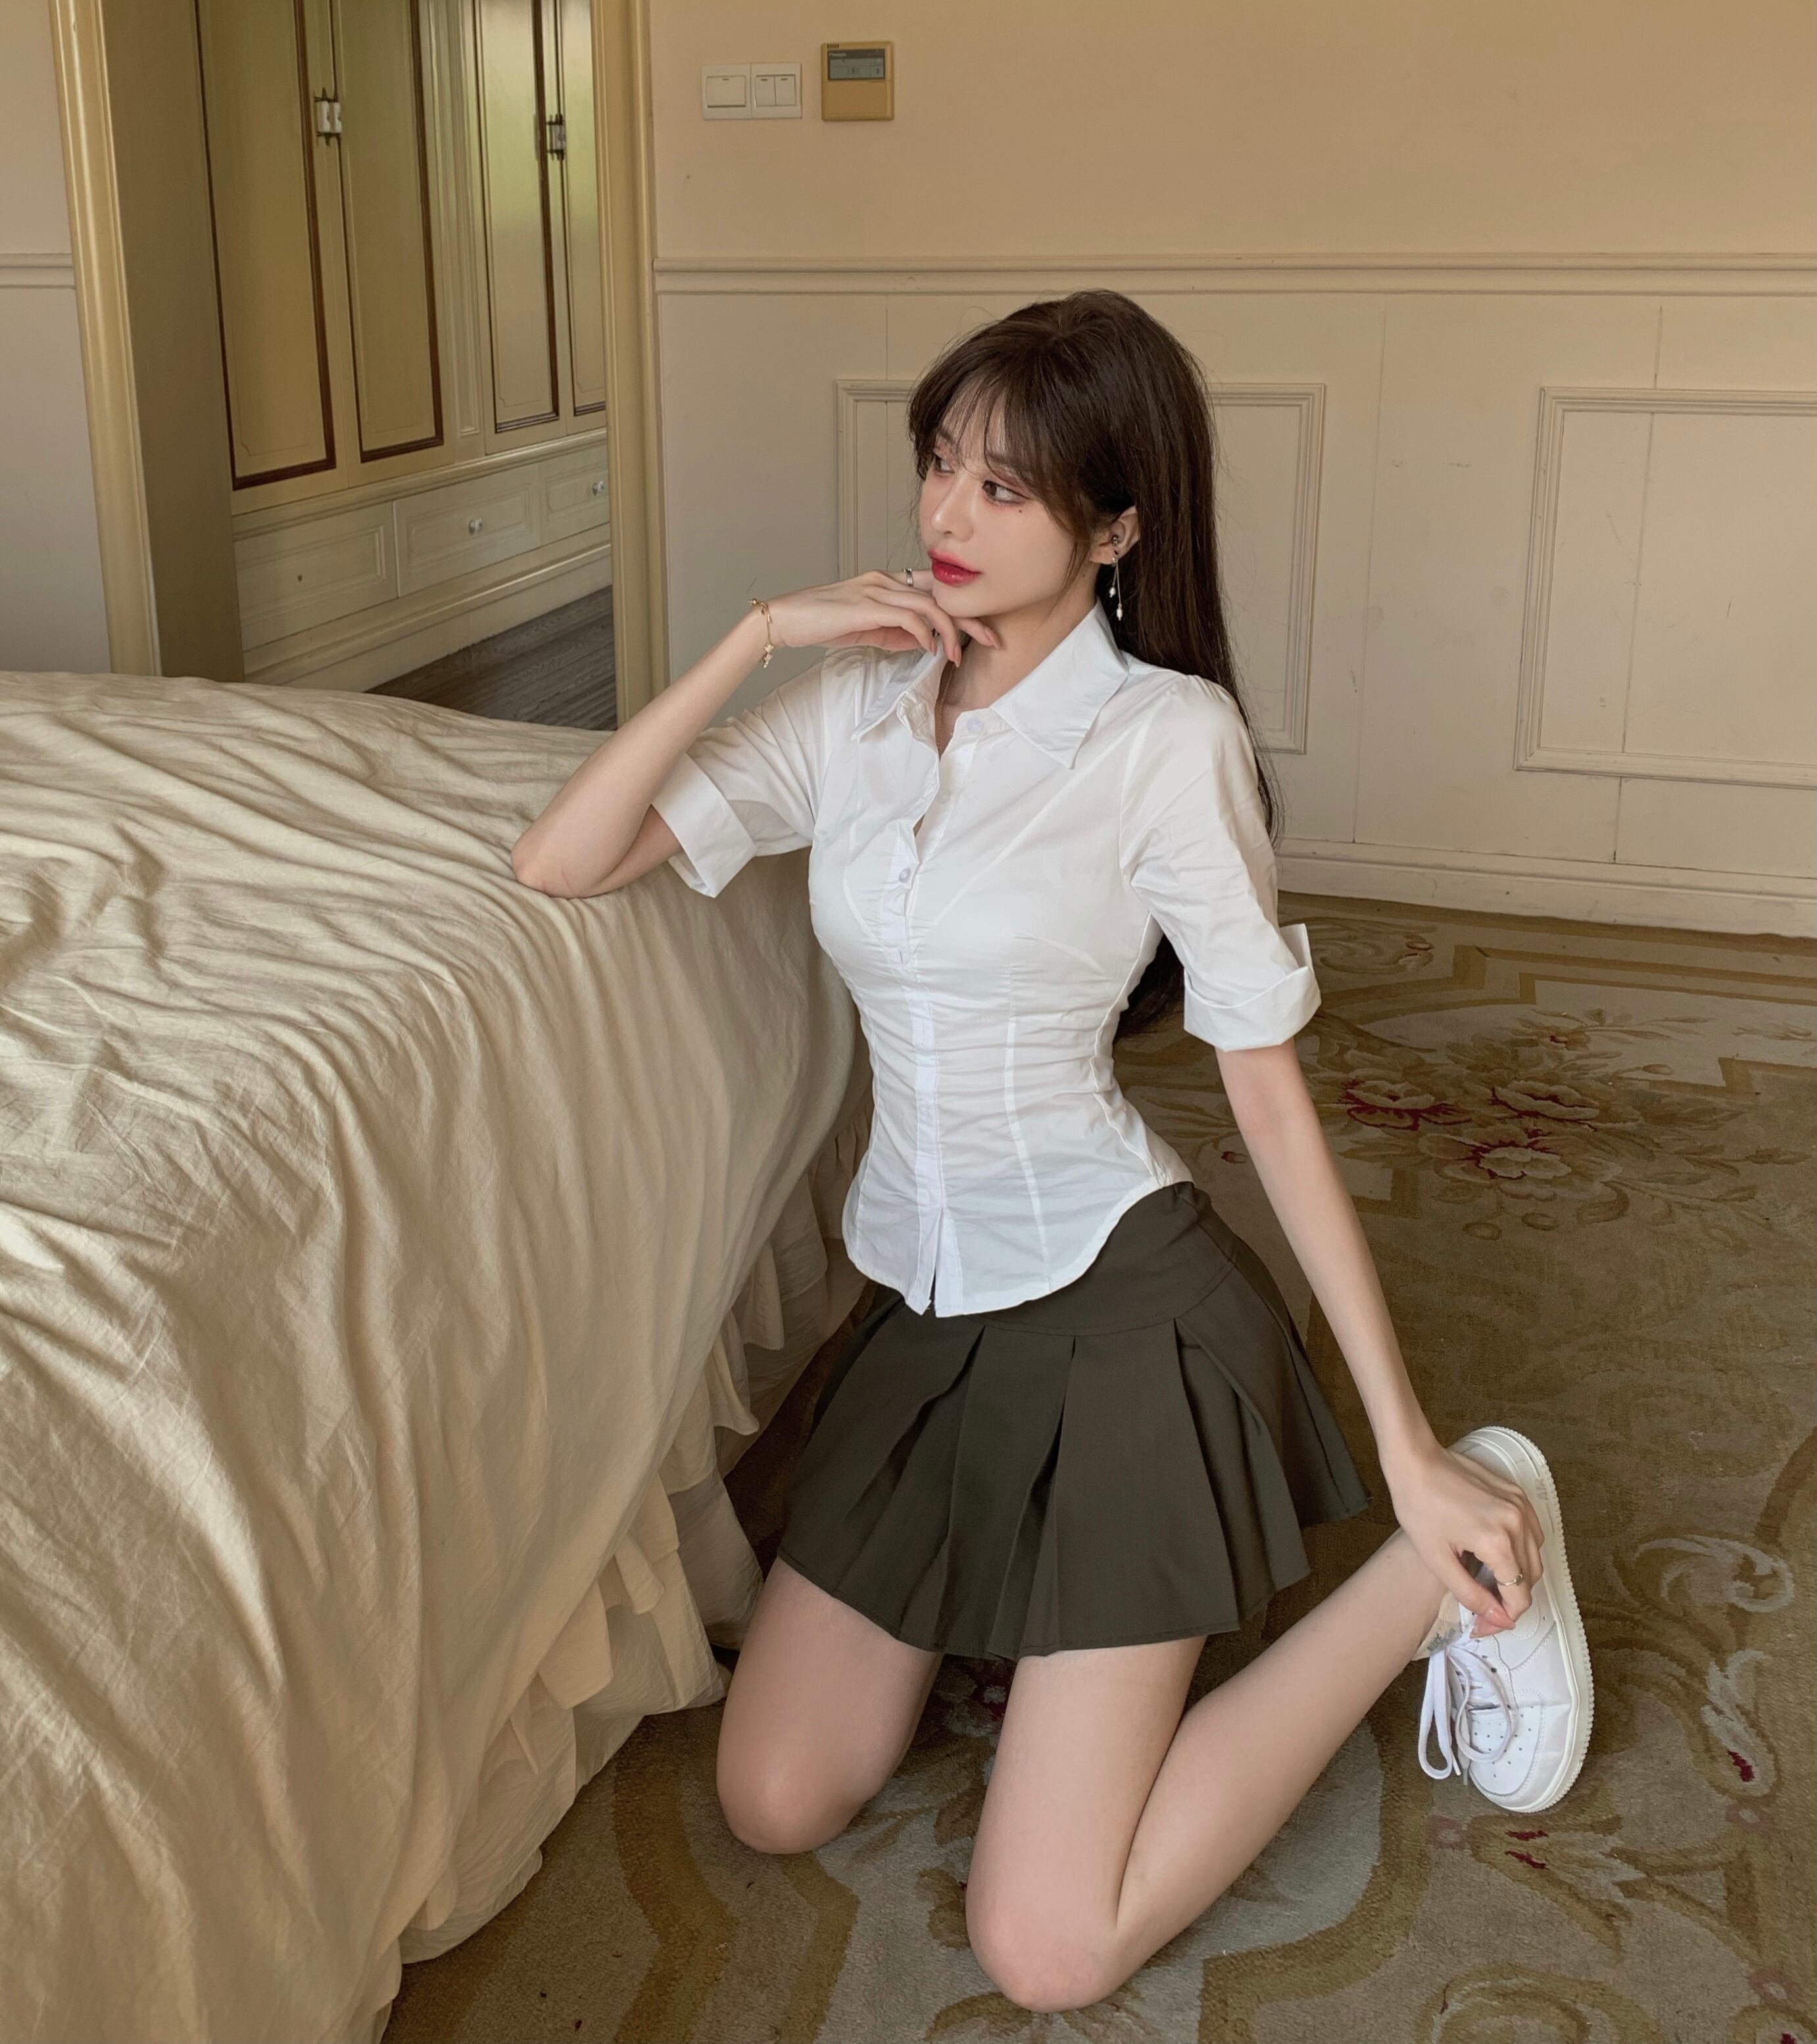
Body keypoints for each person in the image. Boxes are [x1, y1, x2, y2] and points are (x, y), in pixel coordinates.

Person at [512, 289, 1594, 2014]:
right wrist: (758, 634)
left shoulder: (1164, 740)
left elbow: (1264, 1096)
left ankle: (1439, 1566)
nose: (947, 513)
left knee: (1048, 1944)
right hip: (926, 1319)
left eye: (1005, 487)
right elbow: (565, 859)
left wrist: (1400, 1447)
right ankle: (1031, 1602)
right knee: (774, 1794)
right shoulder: (857, 712)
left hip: (1121, 1319)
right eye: (940, 463)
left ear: (1116, 529)